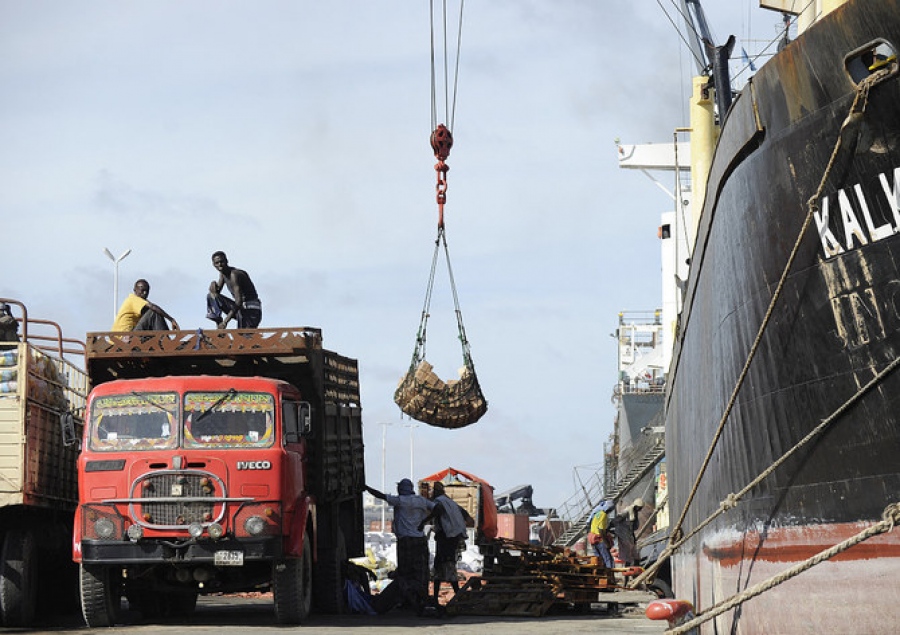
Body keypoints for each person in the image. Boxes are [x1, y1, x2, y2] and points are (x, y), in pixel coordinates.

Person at [366, 479, 435, 611]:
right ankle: (421, 599)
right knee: (421, 572)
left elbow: (380, 495)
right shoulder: (421, 501)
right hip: (420, 540)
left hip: (406, 541)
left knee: (405, 572)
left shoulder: (400, 500)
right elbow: (437, 508)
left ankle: (407, 600)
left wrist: (366, 487)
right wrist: (424, 522)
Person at [419, 482, 473, 602]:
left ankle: (449, 596)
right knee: (447, 565)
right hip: (453, 538)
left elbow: (438, 510)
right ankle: (454, 595)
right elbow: (468, 517)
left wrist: (424, 522)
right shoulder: (451, 503)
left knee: (442, 566)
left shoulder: (439, 502)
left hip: (445, 538)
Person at [206, 251, 262, 329]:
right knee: (211, 296)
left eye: (222, 262)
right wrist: (213, 286)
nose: (220, 265)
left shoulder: (234, 275)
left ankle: (222, 325)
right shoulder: (223, 274)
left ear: (226, 261)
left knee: (243, 338)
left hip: (251, 311)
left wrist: (225, 322)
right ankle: (218, 323)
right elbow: (216, 295)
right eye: (217, 263)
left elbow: (238, 303)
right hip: (241, 309)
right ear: (213, 265)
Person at [112, 280, 179, 332]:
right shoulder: (133, 299)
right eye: (142, 290)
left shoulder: (141, 302)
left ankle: (162, 340)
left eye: (147, 291)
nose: (145, 293)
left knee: (156, 313)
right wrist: (171, 319)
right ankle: (165, 340)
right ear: (135, 290)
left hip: (131, 334)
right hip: (125, 337)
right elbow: (153, 307)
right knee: (153, 312)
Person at [588, 500, 615, 569]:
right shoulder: (604, 515)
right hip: (599, 539)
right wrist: (607, 543)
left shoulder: (597, 513)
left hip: (592, 539)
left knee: (599, 560)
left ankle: (601, 577)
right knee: (608, 559)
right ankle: (610, 577)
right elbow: (601, 530)